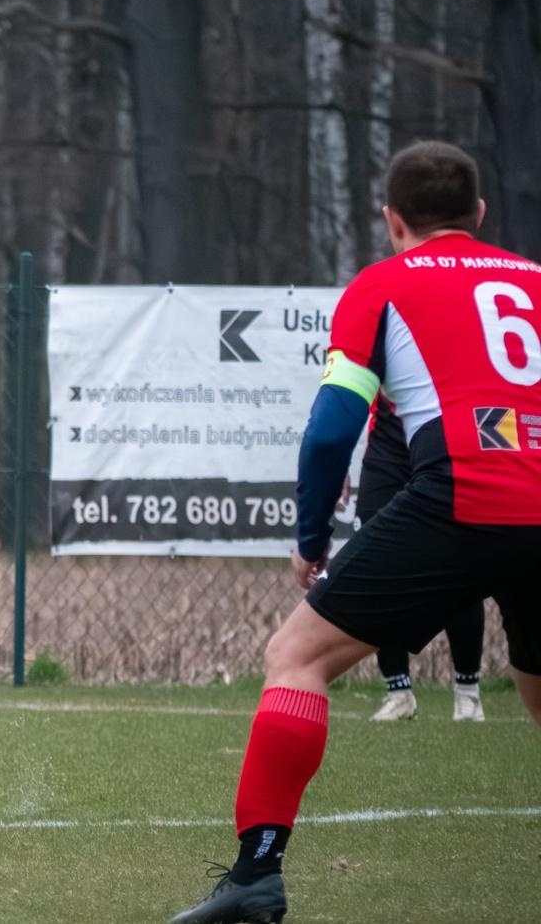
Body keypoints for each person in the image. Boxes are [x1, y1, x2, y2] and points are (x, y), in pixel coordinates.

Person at [170, 140, 541, 924]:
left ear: (392, 219)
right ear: (479, 215)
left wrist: (312, 539)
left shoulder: (382, 284)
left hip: (461, 494)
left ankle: (256, 875)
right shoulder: (536, 282)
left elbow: (334, 423)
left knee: (297, 656)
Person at [355, 407, 484, 723]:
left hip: (448, 432)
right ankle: (398, 692)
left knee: (461, 563)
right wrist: (336, 466)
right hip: (389, 441)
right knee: (375, 567)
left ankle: (468, 694)